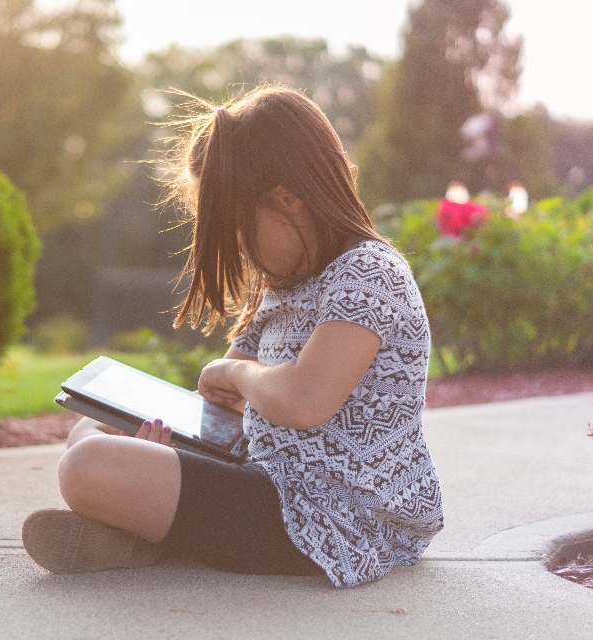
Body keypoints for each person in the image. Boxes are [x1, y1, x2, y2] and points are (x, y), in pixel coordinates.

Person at [22, 86, 444, 588]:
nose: (240, 250)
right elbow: (220, 412)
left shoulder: (370, 275)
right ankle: (143, 533)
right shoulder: (281, 288)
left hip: (335, 519)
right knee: (89, 431)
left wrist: (239, 373)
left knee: (87, 466)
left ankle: (147, 535)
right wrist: (159, 437)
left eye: (239, 231)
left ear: (290, 201)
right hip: (261, 475)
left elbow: (304, 399)